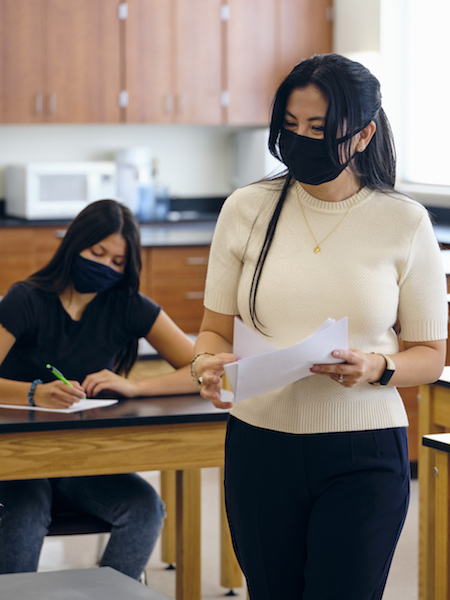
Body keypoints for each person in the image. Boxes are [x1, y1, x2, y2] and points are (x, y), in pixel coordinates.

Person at [191, 53, 448, 599]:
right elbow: (213, 330)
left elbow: (430, 353)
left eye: (319, 129)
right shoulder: (245, 209)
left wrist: (378, 367)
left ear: (363, 134)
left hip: (364, 449)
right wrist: (205, 363)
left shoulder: (404, 222)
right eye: (290, 126)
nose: (301, 139)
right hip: (261, 444)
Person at [0, 199, 199, 579]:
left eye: (118, 262)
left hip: (84, 459)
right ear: (75, 244)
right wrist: (33, 394)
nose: (106, 266)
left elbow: (199, 370)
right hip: (17, 460)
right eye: (98, 252)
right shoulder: (26, 300)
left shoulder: (127, 306)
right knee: (25, 513)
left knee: (145, 509)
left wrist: (134, 387)